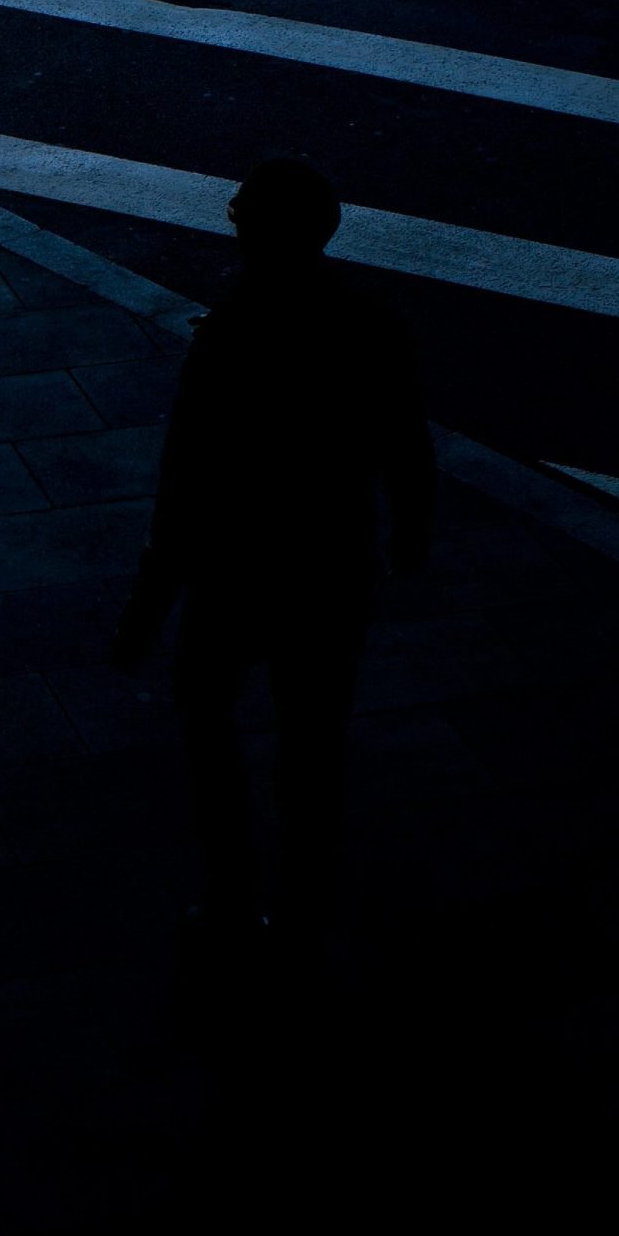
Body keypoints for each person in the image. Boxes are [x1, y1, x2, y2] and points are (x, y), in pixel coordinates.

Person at [112, 159, 434, 955]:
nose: (232, 223)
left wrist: (150, 602)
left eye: (241, 215)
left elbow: (186, 479)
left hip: (238, 568)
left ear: (258, 231)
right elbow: (406, 443)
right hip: (332, 560)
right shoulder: (370, 323)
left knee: (205, 710)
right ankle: (302, 903)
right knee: (314, 737)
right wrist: (409, 532)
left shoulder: (233, 334)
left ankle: (233, 895)